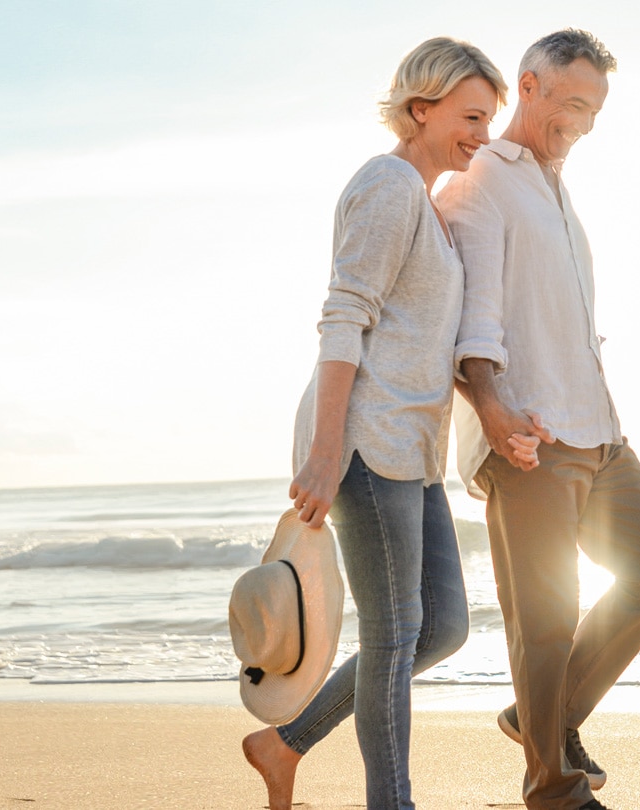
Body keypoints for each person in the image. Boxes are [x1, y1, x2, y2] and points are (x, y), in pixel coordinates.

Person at [241, 37, 511, 810]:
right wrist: (327, 453)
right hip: (363, 443)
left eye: (488, 119)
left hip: (411, 452)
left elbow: (422, 341)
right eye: (468, 116)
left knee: (441, 629)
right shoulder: (389, 186)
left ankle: (282, 743)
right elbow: (342, 319)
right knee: (393, 637)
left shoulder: (422, 202)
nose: (480, 135)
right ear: (419, 108)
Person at [438, 29, 640, 810]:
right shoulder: (482, 178)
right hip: (531, 434)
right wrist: (492, 407)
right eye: (572, 103)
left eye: (595, 109)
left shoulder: (554, 183)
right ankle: (555, 791)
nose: (582, 121)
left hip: (597, 427)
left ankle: (542, 718)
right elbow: (473, 316)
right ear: (530, 85)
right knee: (544, 622)